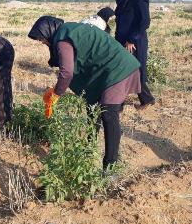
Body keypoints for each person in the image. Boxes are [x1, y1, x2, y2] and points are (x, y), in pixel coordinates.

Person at [28, 16, 141, 170]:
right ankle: (88, 149)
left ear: (48, 32)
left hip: (117, 70)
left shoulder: (62, 41)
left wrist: (56, 94)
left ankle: (110, 168)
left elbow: (67, 72)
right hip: (108, 69)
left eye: (41, 38)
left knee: (108, 114)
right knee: (92, 108)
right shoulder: (70, 29)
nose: (42, 42)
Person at [110, 0, 155, 109]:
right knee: (124, 70)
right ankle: (145, 99)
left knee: (132, 70)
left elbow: (144, 22)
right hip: (122, 40)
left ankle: (121, 104)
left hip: (135, 41)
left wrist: (131, 39)